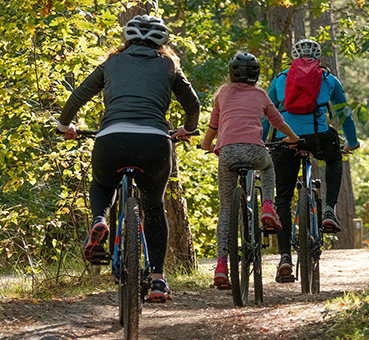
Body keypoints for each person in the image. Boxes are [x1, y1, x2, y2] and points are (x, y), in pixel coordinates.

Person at [56, 15, 200, 302]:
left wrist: (64, 126)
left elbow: (78, 96)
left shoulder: (111, 62)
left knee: (102, 182)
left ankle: (99, 219)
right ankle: (158, 279)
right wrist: (188, 129)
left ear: (127, 38)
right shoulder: (169, 64)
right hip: (155, 142)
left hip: (112, 138)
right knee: (154, 208)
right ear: (163, 41)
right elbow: (192, 104)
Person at [200, 52, 299, 287]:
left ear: (231, 74)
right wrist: (293, 138)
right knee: (268, 167)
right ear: (256, 75)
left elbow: (214, 125)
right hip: (255, 151)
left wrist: (207, 145)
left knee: (225, 210)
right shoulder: (261, 95)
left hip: (227, 153)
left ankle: (221, 266)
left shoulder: (222, 94)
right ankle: (267, 206)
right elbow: (277, 121)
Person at [265, 39, 360, 283]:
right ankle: (329, 209)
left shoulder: (280, 79)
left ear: (294, 58)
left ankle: (285, 258)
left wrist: (261, 140)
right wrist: (352, 141)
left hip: (285, 140)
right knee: (335, 157)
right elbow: (343, 113)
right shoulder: (329, 79)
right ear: (317, 58)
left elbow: (266, 114)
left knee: (283, 199)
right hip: (318, 138)